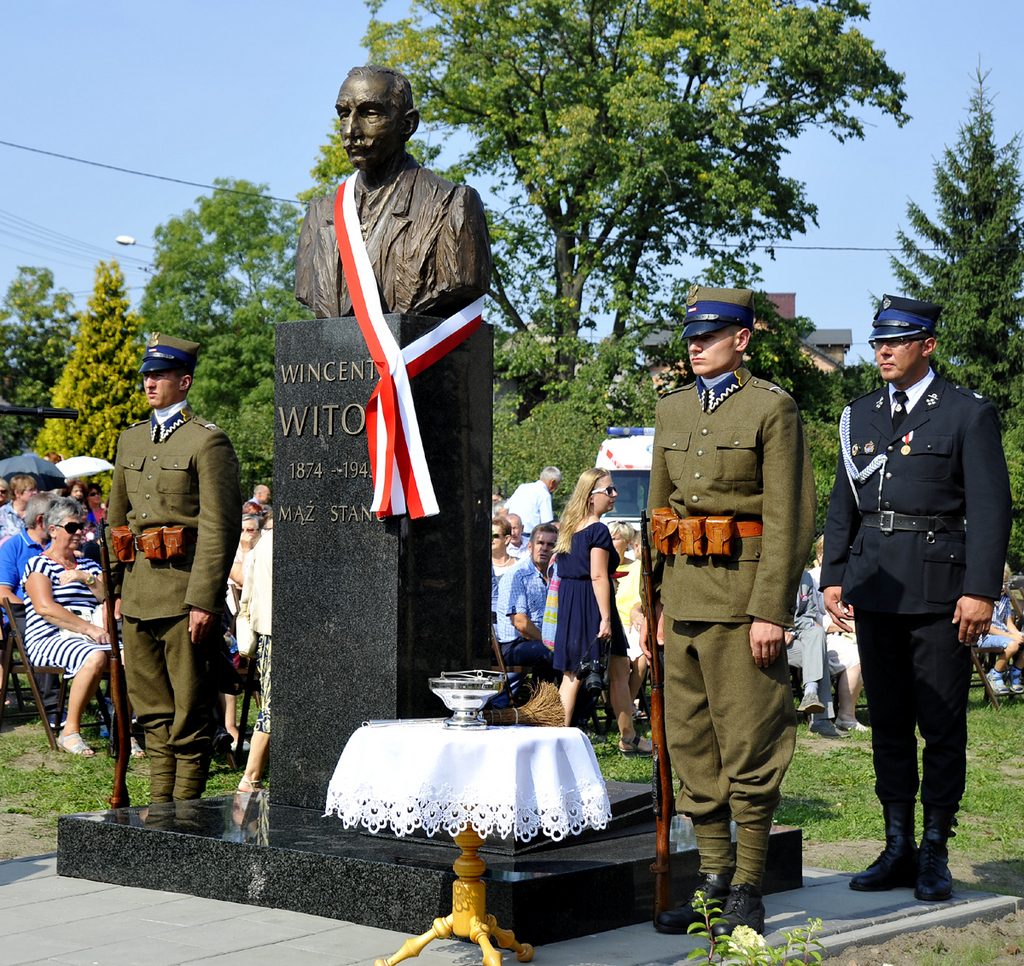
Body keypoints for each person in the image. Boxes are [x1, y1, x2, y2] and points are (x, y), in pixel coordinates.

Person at [821, 294, 1011, 903]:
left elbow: (991, 508)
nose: (883, 352)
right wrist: (833, 573)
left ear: (927, 345)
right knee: (889, 722)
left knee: (941, 722)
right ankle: (897, 844)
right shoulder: (861, 414)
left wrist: (980, 590)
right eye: (879, 342)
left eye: (896, 342)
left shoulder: (966, 413)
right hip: (876, 586)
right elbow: (844, 501)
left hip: (938, 592)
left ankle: (934, 849)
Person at [648, 286, 816, 939]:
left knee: (749, 744)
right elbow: (660, 514)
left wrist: (771, 609)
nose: (695, 346)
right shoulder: (671, 408)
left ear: (741, 339)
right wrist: (655, 604)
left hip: (745, 605)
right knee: (693, 746)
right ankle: (713, 881)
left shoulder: (772, 408)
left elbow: (788, 517)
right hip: (684, 602)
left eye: (709, 336)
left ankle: (748, 886)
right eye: (691, 337)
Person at [106, 333, 242, 803]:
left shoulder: (207, 441)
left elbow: (219, 527)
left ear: (184, 382)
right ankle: (159, 807)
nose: (150, 383)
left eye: (161, 375)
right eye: (147, 375)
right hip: (137, 594)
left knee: (189, 709)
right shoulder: (130, 439)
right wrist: (115, 589)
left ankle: (184, 812)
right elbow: (117, 521)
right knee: (152, 710)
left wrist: (204, 599)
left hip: (184, 595)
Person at [295, 65, 492, 320]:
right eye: (344, 114)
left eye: (369, 114)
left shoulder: (452, 206)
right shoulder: (320, 214)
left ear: (407, 124)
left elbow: (462, 280)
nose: (351, 131)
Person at [554, 468, 652, 756]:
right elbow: (598, 576)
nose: (615, 494)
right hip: (592, 604)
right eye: (609, 490)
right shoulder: (596, 530)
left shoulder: (569, 528)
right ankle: (556, 743)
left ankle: (628, 736)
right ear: (590, 496)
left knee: (617, 667)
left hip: (572, 602)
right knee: (575, 674)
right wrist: (606, 618)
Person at [22, 497, 110, 756]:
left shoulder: (89, 565)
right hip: (49, 638)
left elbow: (107, 598)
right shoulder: (39, 564)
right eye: (72, 527)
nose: (79, 532)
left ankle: (120, 727)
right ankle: (70, 731)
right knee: (95, 657)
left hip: (90, 636)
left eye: (81, 526)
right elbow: (45, 608)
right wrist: (89, 630)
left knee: (132, 657)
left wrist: (85, 577)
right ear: (53, 530)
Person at [493, 524, 557, 697]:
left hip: (543, 640)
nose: (544, 548)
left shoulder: (557, 575)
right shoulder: (517, 575)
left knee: (583, 652)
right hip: (513, 645)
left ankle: (575, 709)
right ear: (530, 546)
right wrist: (550, 642)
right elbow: (520, 623)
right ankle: (541, 702)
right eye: (540, 543)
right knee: (551, 654)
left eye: (550, 544)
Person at [237, 526, 272, 793]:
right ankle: (250, 777)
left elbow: (247, 594)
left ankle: (252, 776)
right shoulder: (269, 545)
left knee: (272, 705)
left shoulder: (263, 544)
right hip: (274, 632)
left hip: (266, 632)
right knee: (272, 707)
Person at [978, 566, 1024, 696]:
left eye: (1006, 583)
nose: (1003, 587)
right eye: (1000, 583)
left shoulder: (1005, 599)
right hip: (985, 636)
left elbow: (1008, 623)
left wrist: (1017, 634)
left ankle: (1015, 672)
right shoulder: (984, 600)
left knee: (1018, 640)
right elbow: (987, 627)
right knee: (1013, 645)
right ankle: (995, 674)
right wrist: (1011, 636)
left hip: (1004, 635)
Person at [505, 467, 562, 538]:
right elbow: (547, 524)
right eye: (557, 484)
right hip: (529, 536)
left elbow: (504, 509)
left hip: (511, 534)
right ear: (552, 482)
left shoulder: (522, 487)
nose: (556, 488)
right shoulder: (544, 494)